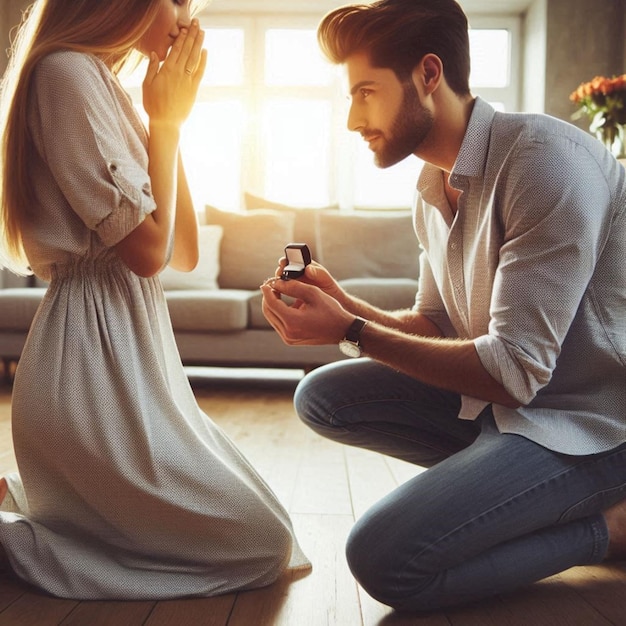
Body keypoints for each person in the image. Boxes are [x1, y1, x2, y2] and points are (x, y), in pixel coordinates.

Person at [261, 0, 626, 613]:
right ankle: (507, 484)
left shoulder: (544, 162)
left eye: (366, 93)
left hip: (590, 426)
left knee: (383, 558)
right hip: (514, 407)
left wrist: (350, 328)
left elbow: (512, 371)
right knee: (323, 396)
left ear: (428, 75)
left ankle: (609, 527)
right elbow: (434, 324)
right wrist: (342, 305)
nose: (353, 119)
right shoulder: (434, 185)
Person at [0, 0, 309, 599]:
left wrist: (170, 121)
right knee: (260, 541)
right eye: (179, 0)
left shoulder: (107, 86)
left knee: (265, 527)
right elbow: (147, 253)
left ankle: (36, 503)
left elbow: (182, 249)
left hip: (135, 368)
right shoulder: (65, 71)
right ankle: (21, 537)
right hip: (88, 373)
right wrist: (162, 126)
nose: (187, 18)